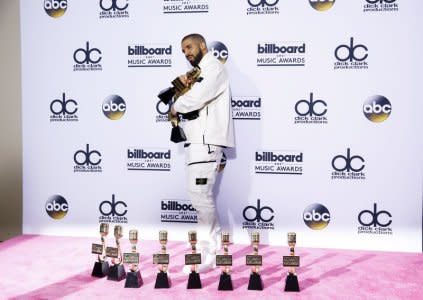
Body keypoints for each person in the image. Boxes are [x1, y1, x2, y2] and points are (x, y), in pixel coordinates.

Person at [171, 33, 235, 273]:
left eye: (189, 46)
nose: (186, 52)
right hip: (197, 141)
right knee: (198, 195)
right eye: (183, 50)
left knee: (200, 194)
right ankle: (212, 249)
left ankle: (209, 253)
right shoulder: (199, 72)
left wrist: (176, 105)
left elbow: (197, 98)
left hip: (206, 142)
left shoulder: (214, 68)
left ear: (202, 45)